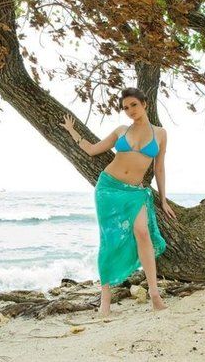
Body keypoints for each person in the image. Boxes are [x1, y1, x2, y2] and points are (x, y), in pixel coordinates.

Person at [59, 87, 177, 316]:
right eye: (125, 108)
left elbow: (159, 168)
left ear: (145, 104)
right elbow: (92, 150)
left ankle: (154, 294)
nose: (130, 110)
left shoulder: (161, 134)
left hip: (134, 192)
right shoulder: (121, 130)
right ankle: (105, 300)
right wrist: (73, 131)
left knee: (143, 233)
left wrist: (163, 200)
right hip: (108, 189)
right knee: (109, 240)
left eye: (134, 105)